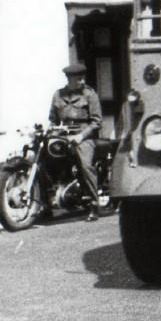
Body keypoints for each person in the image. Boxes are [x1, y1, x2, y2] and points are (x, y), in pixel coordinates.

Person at [48, 63, 103, 222]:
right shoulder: (58, 95)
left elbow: (97, 122)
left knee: (85, 165)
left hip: (84, 135)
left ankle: (93, 204)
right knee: (45, 156)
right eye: (78, 79)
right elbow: (52, 120)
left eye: (82, 78)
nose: (81, 81)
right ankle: (46, 204)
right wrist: (51, 132)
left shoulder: (89, 94)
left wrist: (81, 136)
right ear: (69, 79)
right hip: (63, 134)